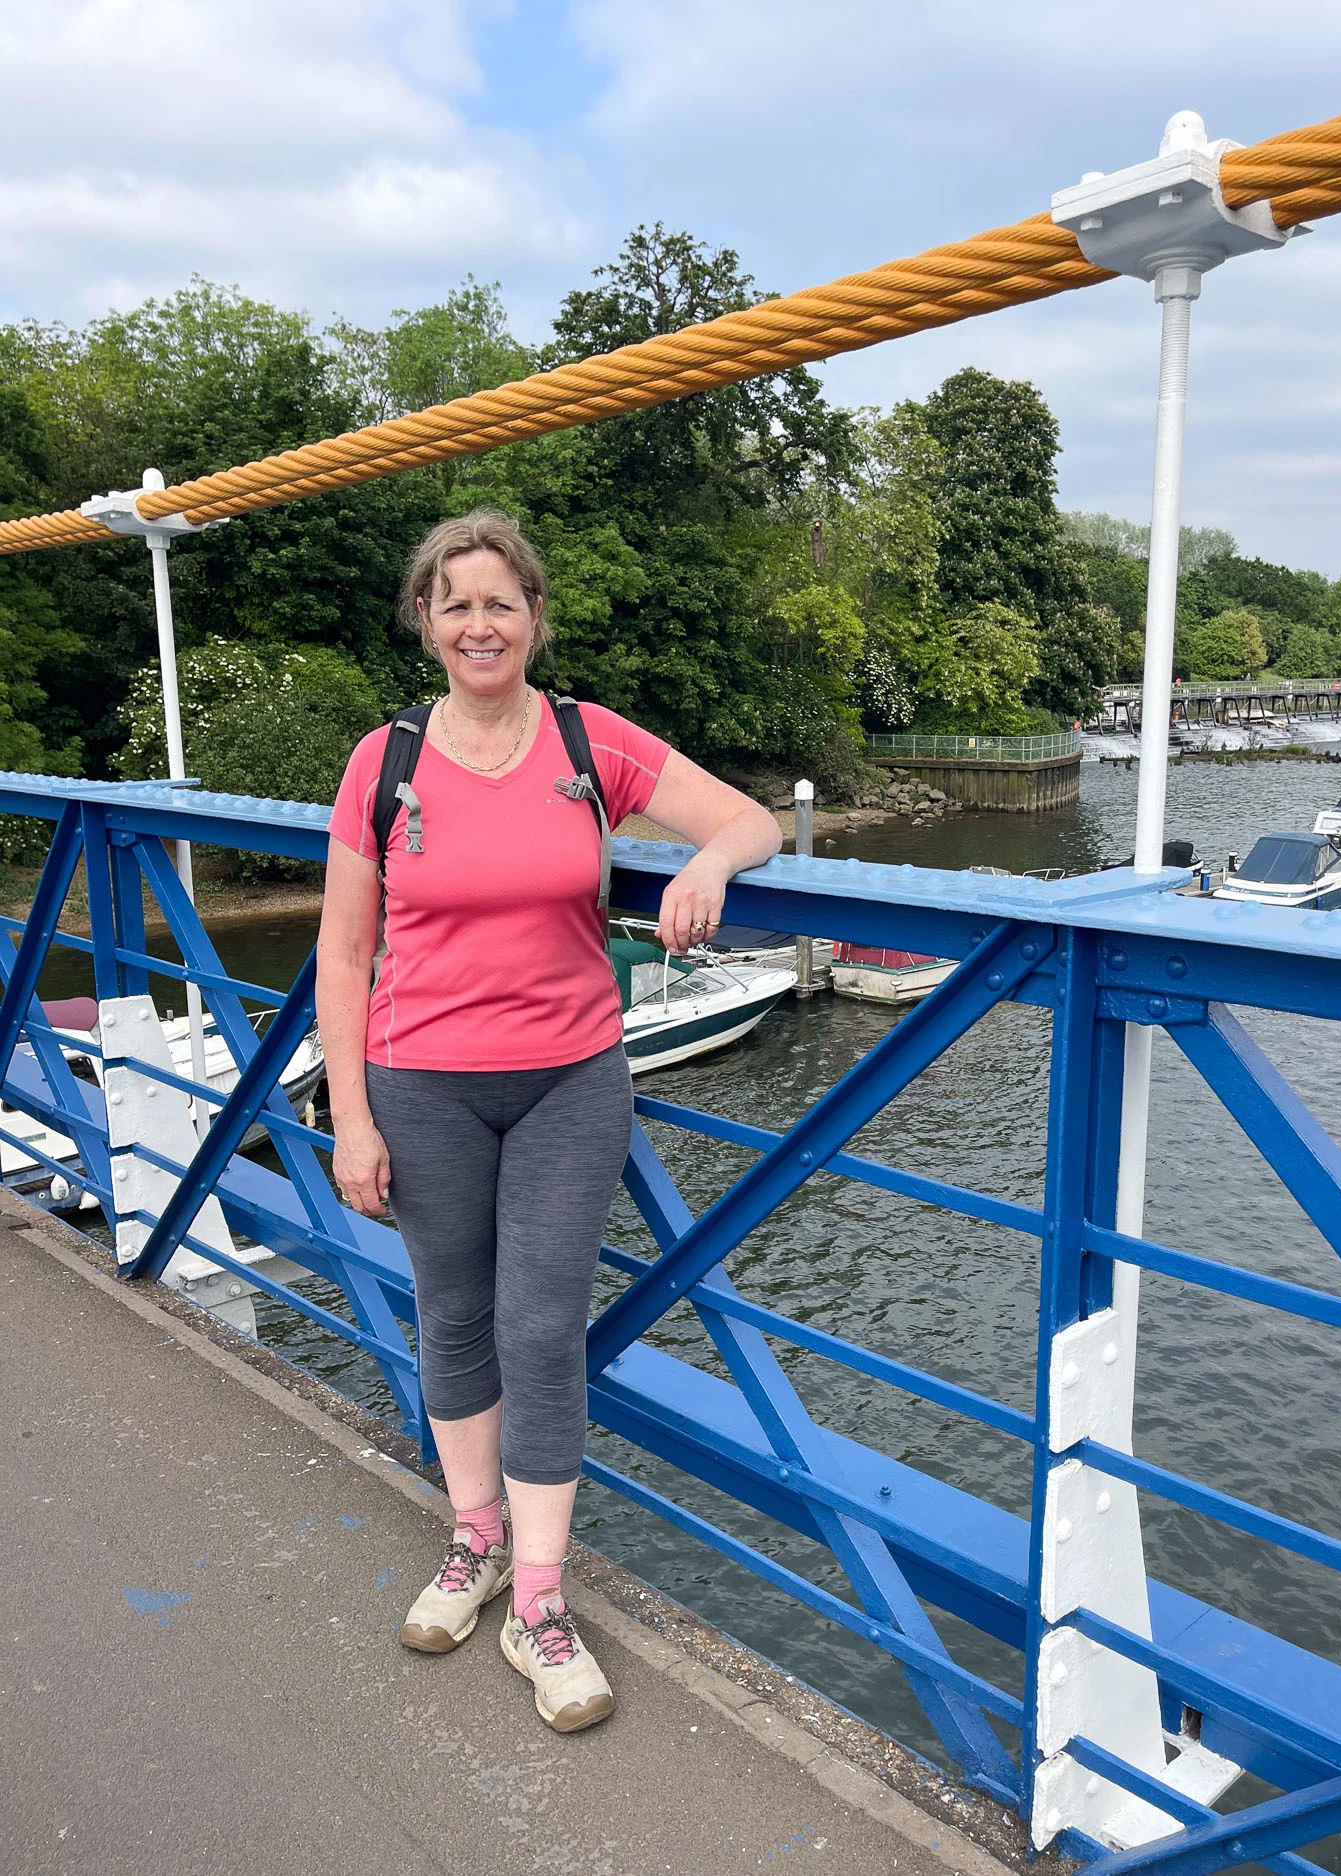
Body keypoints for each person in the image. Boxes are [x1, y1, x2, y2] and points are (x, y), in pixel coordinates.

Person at [316, 510, 782, 1733]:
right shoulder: (385, 761)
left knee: (539, 1326)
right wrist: (351, 1114)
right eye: (454, 603)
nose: (479, 624)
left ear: (534, 617)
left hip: (571, 1078)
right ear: (426, 620)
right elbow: (345, 952)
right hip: (421, 1083)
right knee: (455, 1314)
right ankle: (470, 1542)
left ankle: (538, 1599)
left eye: (500, 603)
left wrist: (706, 866)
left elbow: (749, 816)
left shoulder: (587, 739)